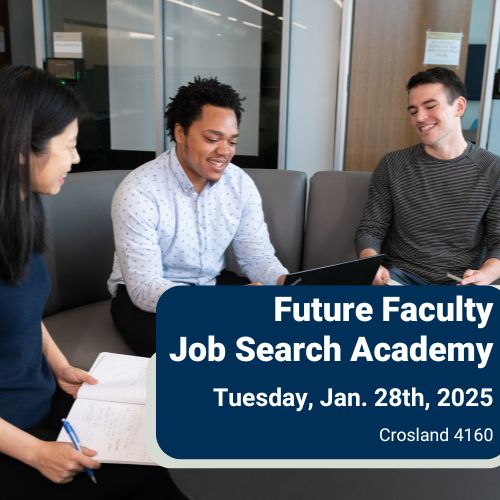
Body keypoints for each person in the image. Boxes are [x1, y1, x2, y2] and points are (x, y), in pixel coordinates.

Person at [0, 65, 186, 499]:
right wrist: (36, 453)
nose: (77, 158)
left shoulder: (21, 213)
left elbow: (20, 310)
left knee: (171, 451)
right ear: (24, 150)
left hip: (44, 406)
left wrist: (60, 366)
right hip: (15, 438)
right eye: (68, 146)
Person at [108, 76, 288, 356]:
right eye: (212, 139)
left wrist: (286, 285)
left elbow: (257, 257)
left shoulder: (240, 184)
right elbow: (144, 288)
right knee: (194, 353)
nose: (225, 152)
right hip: (148, 301)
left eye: (231, 141)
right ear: (180, 133)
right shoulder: (139, 190)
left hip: (211, 284)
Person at [355, 67, 500, 286]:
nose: (420, 118)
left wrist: (485, 275)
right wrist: (370, 263)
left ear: (459, 106)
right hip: (399, 279)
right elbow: (371, 229)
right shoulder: (393, 164)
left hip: (460, 282)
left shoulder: (493, 169)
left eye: (430, 106)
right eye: (413, 111)